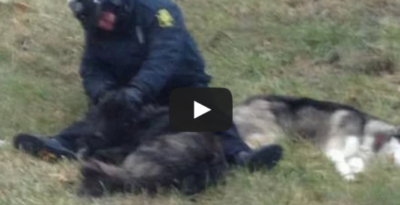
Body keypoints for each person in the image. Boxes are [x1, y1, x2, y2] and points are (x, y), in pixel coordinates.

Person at [13, 0, 283, 170]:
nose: (104, 25)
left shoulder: (160, 11)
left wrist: (139, 90)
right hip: (131, 89)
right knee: (105, 111)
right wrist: (104, 92)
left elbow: (165, 56)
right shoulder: (97, 25)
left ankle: (240, 157)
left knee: (206, 108)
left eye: (105, 17)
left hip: (180, 85)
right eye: (98, 23)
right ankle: (65, 144)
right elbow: (92, 67)